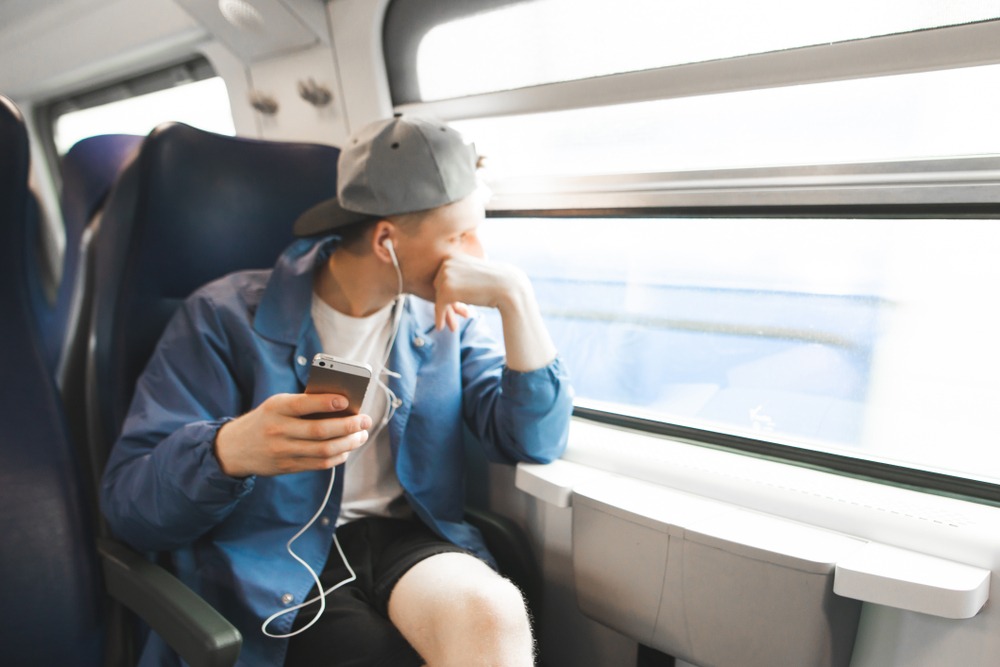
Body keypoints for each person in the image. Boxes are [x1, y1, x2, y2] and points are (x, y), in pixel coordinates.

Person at [100, 114, 573, 667]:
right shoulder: (221, 316)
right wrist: (228, 451)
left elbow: (534, 439)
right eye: (458, 235)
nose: (478, 255)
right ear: (386, 240)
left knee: (492, 615)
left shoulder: (441, 320)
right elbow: (127, 506)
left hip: (403, 539)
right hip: (274, 551)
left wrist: (516, 300)